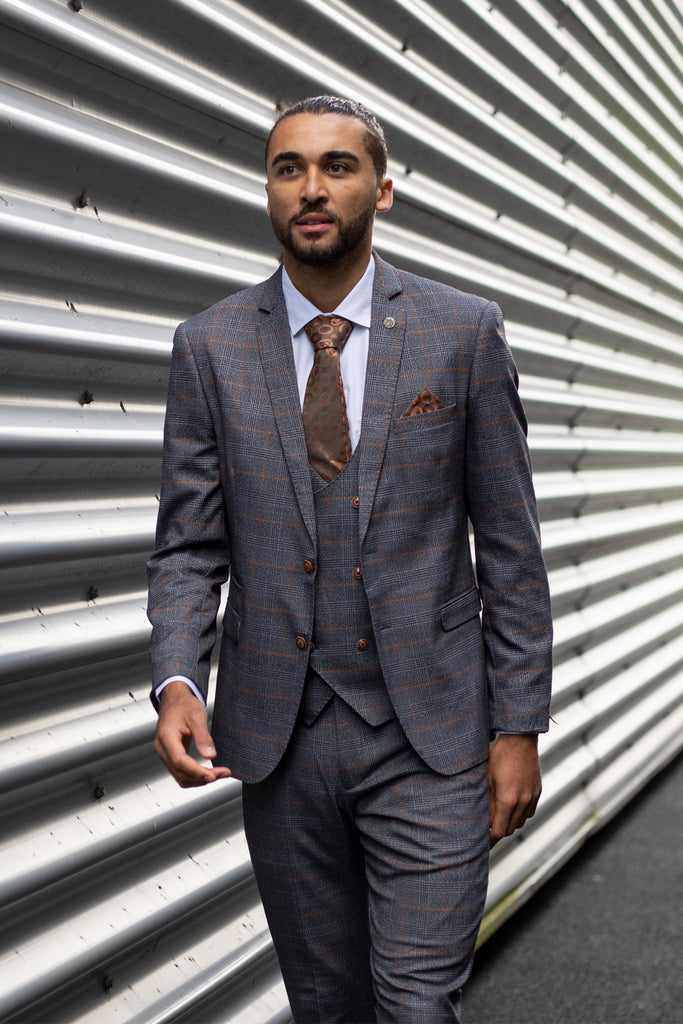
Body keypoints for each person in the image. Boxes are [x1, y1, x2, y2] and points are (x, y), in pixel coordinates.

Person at [147, 95, 552, 1023]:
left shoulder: (462, 332)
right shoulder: (208, 348)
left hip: (433, 733)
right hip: (279, 737)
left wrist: (519, 724)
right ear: (268, 192)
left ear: (383, 187)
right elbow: (186, 546)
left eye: (337, 165)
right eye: (289, 168)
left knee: (414, 1004)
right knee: (327, 1005)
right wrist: (176, 677)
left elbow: (511, 548)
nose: (312, 188)